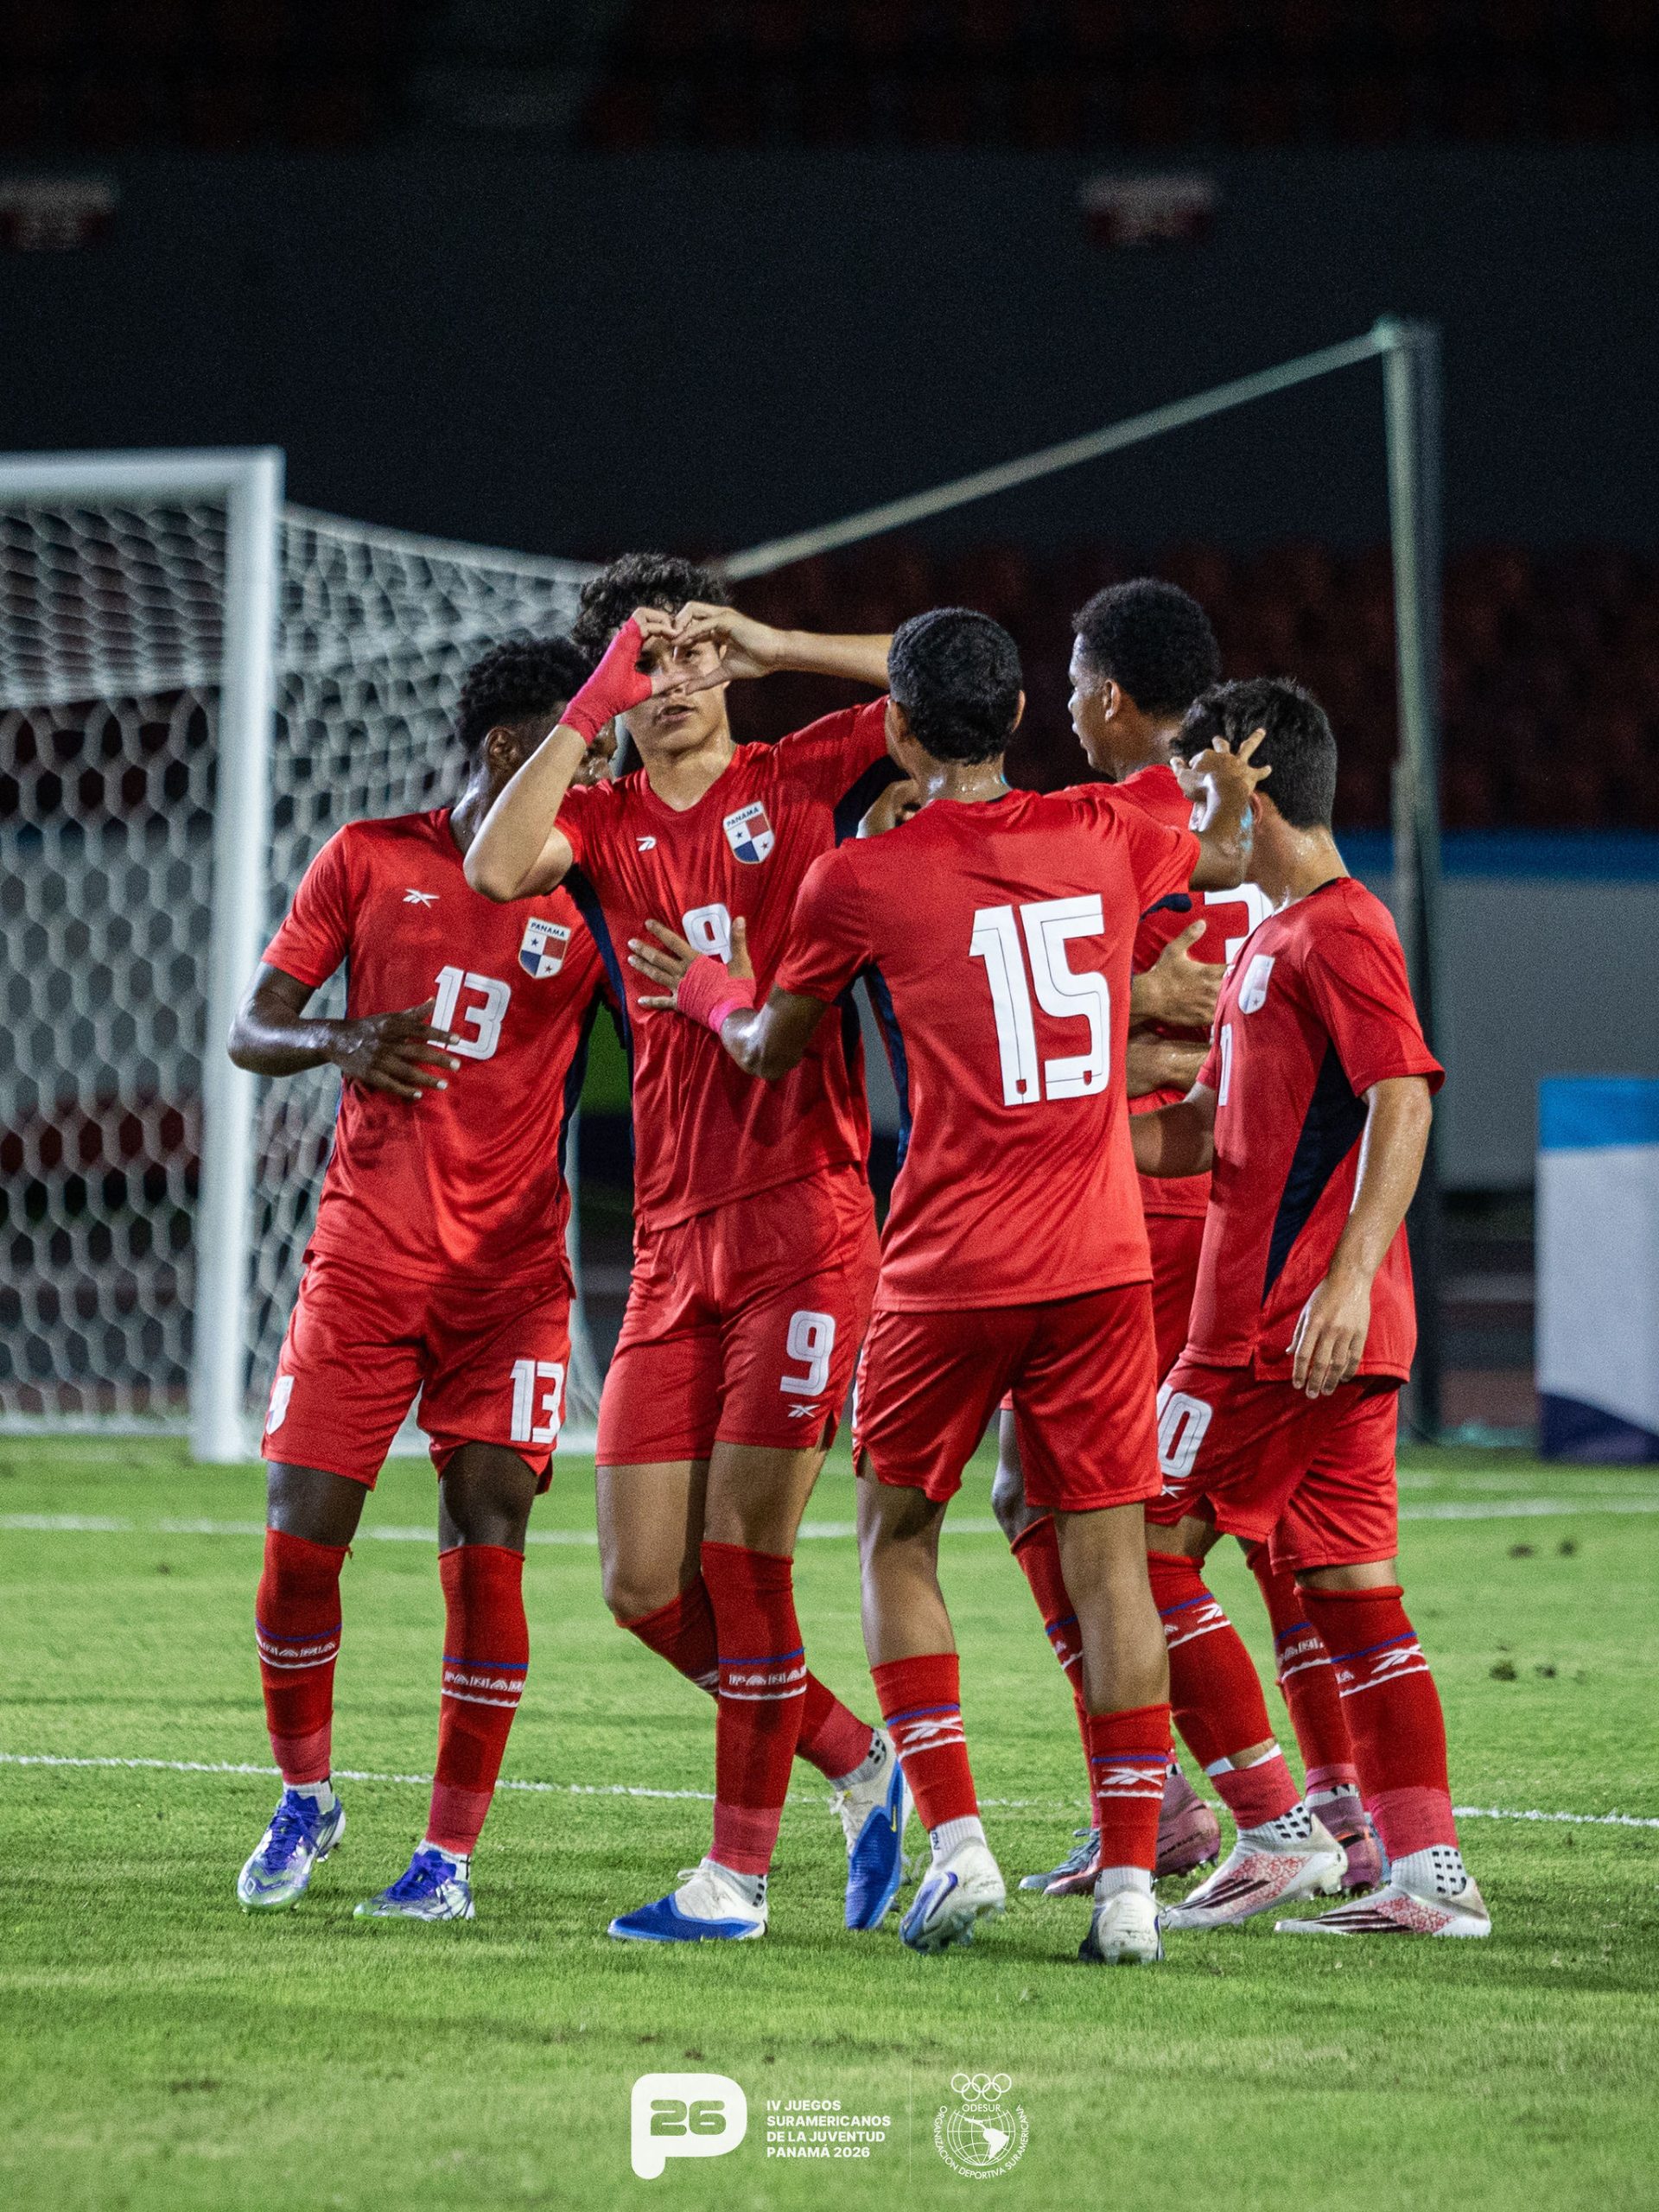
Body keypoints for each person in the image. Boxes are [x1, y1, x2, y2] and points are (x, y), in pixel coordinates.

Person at [631, 607, 1264, 1965]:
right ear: (1026, 714)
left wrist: (698, 986)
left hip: (946, 1270)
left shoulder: (863, 881)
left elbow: (760, 1044)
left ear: (903, 734)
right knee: (1111, 1572)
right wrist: (1231, 799)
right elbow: (1212, 828)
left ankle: (962, 1842)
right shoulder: (1109, 834)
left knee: (897, 1542)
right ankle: (1137, 1893)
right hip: (1096, 1262)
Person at [466, 556, 912, 1944]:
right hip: (671, 1243)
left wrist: (777, 639)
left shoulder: (805, 773)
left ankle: (736, 1879)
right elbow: (489, 866)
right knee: (642, 1584)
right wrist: (583, 710)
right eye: (641, 668)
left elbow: (952, 680)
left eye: (686, 658)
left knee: (743, 1559)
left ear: (725, 662)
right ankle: (857, 1758)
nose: (670, 687)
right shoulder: (591, 821)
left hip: (808, 1216)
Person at [995, 581, 1378, 1901]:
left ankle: (1221, 1811)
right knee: (1246, 1529)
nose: (1062, 706)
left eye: (1073, 677)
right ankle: (1330, 1808)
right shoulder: (1239, 833)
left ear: (1110, 690)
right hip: (1206, 1211)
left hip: (1136, 1210)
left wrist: (1123, 1008)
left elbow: (1089, 1017)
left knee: (1098, 1516)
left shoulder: (1136, 829)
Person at [229, 636, 613, 1922]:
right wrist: (339, 1038)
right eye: (577, 744)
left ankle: (445, 1859)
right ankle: (306, 1797)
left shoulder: (595, 888)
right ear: (514, 749)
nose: (595, 768)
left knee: (489, 1539)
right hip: (368, 1263)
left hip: (511, 1283)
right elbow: (251, 1027)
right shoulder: (369, 855)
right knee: (299, 1544)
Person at [1131, 677, 1490, 1937]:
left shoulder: (1339, 931)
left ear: (1258, 771)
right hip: (1309, 1338)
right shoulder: (1266, 943)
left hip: (1279, 1333)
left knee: (1134, 1554)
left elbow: (1407, 1098)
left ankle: (1277, 1834)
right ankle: (1429, 1879)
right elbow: (1201, 1145)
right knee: (1352, 1596)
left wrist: (1342, 1280)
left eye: (1200, 778)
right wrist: (1067, 1132)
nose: (1187, 810)